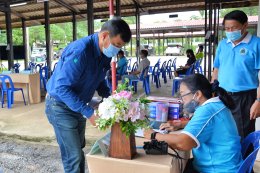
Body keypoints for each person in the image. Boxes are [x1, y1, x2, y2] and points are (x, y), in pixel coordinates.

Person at [45, 18, 131, 173]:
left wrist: (112, 100)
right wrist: (89, 112)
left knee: (79, 149)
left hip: (78, 104)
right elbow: (62, 88)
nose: (117, 50)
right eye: (117, 45)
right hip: (60, 106)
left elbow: (99, 81)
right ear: (104, 36)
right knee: (74, 155)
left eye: (120, 47)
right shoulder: (81, 51)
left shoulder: (105, 53)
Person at [144, 74, 242, 173]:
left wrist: (154, 135)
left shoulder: (207, 110)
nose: (182, 100)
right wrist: (181, 124)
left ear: (198, 94)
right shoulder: (216, 104)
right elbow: (208, 125)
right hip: (226, 165)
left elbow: (182, 143)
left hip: (217, 169)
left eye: (183, 95)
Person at [212, 10, 260, 143]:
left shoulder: (257, 44)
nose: (230, 31)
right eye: (227, 28)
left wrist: (258, 101)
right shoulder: (223, 44)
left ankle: (245, 164)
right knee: (223, 132)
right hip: (222, 94)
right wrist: (212, 90)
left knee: (242, 135)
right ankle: (229, 162)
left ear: (245, 25)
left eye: (234, 28)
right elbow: (217, 68)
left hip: (244, 98)